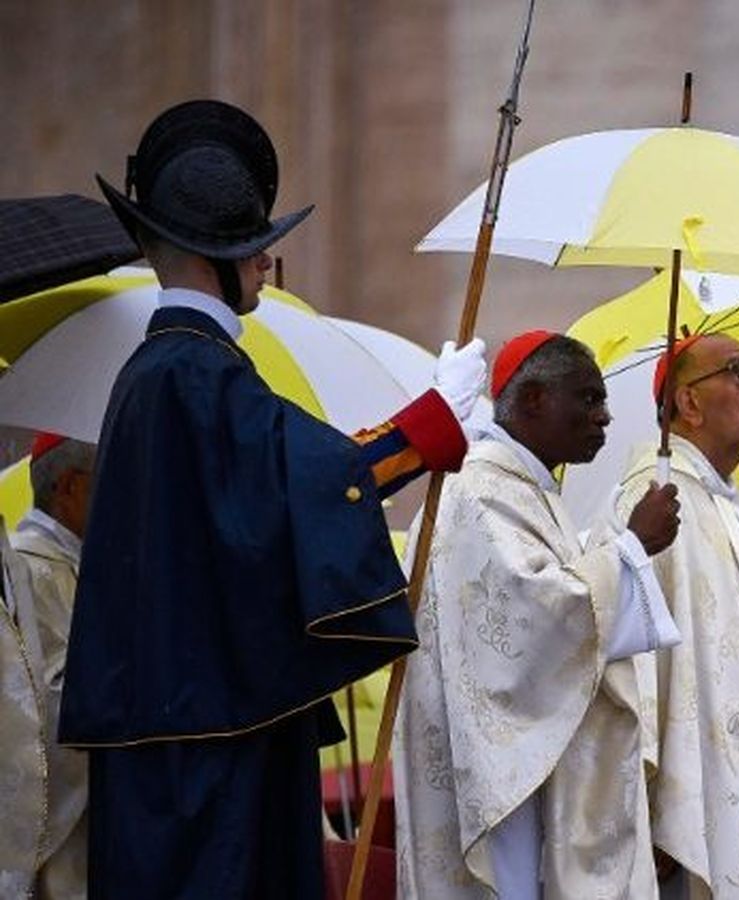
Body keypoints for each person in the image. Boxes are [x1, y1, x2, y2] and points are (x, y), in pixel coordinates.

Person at [58, 99, 485, 899]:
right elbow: (304, 494)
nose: (265, 263)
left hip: (187, 745)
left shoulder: (157, 375)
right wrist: (431, 425)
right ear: (210, 258)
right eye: (252, 247)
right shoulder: (193, 373)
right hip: (208, 761)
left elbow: (268, 501)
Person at [395, 331, 685, 899]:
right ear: (533, 400)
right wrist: (631, 547)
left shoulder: (529, 492)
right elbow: (534, 625)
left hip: (525, 762)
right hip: (496, 776)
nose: (603, 416)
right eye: (587, 398)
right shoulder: (477, 492)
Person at [608, 333, 739, 898]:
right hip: (701, 803)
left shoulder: (721, 506)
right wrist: (652, 804)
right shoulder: (658, 503)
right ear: (689, 404)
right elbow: (641, 666)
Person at [5, 434, 97, 898]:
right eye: (107, 481)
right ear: (69, 487)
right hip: (56, 827)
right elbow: (34, 708)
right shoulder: (25, 568)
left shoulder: (87, 565)